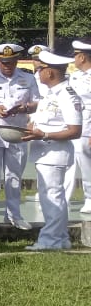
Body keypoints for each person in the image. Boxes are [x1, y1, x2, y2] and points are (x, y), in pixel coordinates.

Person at [20, 50, 82, 250]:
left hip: (55, 153)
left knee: (52, 198)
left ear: (51, 73)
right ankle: (61, 238)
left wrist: (44, 135)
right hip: (45, 152)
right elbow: (42, 120)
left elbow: (75, 131)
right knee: (53, 197)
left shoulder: (66, 95)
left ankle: (49, 240)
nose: (38, 73)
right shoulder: (50, 93)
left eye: (41, 69)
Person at [0, 44, 38, 231]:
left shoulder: (27, 77)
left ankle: (14, 215)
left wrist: (24, 108)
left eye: (11, 62)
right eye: (3, 62)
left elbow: (36, 103)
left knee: (14, 176)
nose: (7, 66)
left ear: (17, 60)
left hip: (17, 133)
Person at [64, 40, 91, 212]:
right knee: (70, 160)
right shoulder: (75, 76)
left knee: (86, 161)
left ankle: (90, 197)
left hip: (89, 125)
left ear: (82, 57)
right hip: (76, 122)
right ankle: (64, 198)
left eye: (75, 55)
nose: (73, 58)